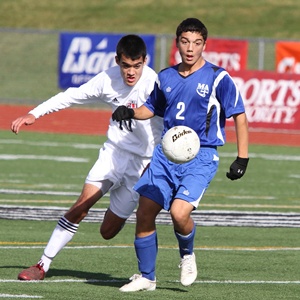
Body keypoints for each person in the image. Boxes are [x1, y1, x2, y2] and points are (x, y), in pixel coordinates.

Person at [112, 18, 249, 292]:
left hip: (201, 156)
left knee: (179, 212)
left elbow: (239, 116)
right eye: (185, 42)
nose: (190, 48)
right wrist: (130, 111)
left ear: (204, 45)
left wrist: (242, 157)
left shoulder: (218, 77)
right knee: (145, 212)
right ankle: (147, 277)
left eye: (197, 43)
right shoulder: (165, 77)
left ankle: (187, 255)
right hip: (165, 155)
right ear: (177, 43)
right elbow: (152, 108)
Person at [11, 34, 163, 281]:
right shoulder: (107, 79)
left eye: (137, 65)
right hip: (114, 155)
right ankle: (42, 265)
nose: (131, 72)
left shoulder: (155, 83)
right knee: (81, 206)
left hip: (142, 165)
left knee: (107, 232)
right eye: (126, 65)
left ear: (145, 61)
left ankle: (118, 206)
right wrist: (34, 114)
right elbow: (71, 95)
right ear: (117, 61)